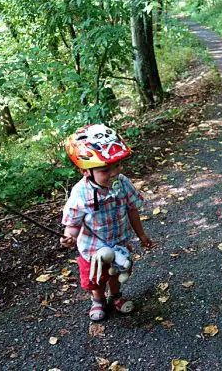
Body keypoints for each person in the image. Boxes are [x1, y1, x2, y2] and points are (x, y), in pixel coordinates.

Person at [60, 124, 154, 321]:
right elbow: (74, 222)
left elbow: (132, 209)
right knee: (96, 278)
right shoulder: (81, 194)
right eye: (105, 170)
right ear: (86, 171)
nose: (113, 173)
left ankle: (116, 296)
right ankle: (98, 300)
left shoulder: (122, 183)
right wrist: (70, 236)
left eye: (117, 166)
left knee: (117, 272)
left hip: (118, 242)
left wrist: (142, 235)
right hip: (92, 249)